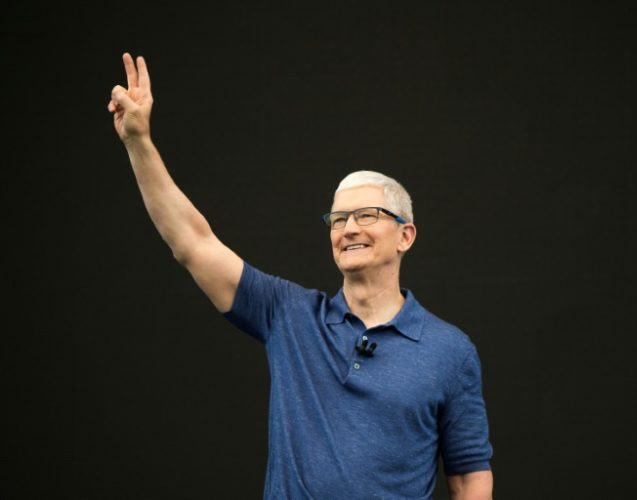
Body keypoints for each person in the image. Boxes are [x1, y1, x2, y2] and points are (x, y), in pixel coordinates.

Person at [108, 52, 493, 499]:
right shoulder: (288, 315)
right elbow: (193, 243)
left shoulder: (451, 351)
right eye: (338, 219)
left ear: (405, 235)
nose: (348, 228)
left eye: (367, 215)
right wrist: (138, 142)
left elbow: (469, 478)